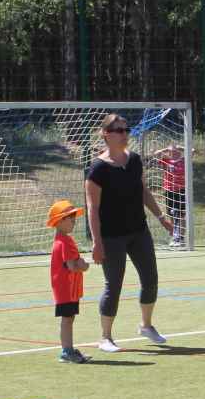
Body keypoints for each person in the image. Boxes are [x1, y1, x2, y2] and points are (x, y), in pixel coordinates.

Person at [84, 113, 175, 352]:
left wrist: (161, 217)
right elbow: (92, 209)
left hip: (139, 231)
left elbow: (143, 191)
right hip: (111, 236)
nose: (125, 134)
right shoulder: (98, 169)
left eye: (127, 129)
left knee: (151, 279)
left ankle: (146, 325)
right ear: (106, 134)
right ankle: (105, 337)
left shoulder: (134, 160)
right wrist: (97, 242)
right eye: (119, 130)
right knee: (113, 284)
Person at [47, 199, 92, 362]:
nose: (74, 221)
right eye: (70, 218)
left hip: (69, 288)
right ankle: (66, 351)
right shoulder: (64, 241)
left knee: (69, 318)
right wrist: (84, 266)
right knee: (67, 319)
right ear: (60, 221)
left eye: (74, 217)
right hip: (65, 288)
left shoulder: (64, 240)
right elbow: (72, 266)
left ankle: (69, 349)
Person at [154, 143, 191, 249]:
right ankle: (175, 236)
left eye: (175, 151)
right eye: (171, 152)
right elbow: (156, 154)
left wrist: (180, 147)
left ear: (179, 152)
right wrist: (167, 148)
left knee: (181, 214)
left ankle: (181, 238)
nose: (173, 153)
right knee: (172, 214)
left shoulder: (184, 160)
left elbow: (192, 151)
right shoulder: (167, 160)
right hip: (169, 190)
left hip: (181, 190)